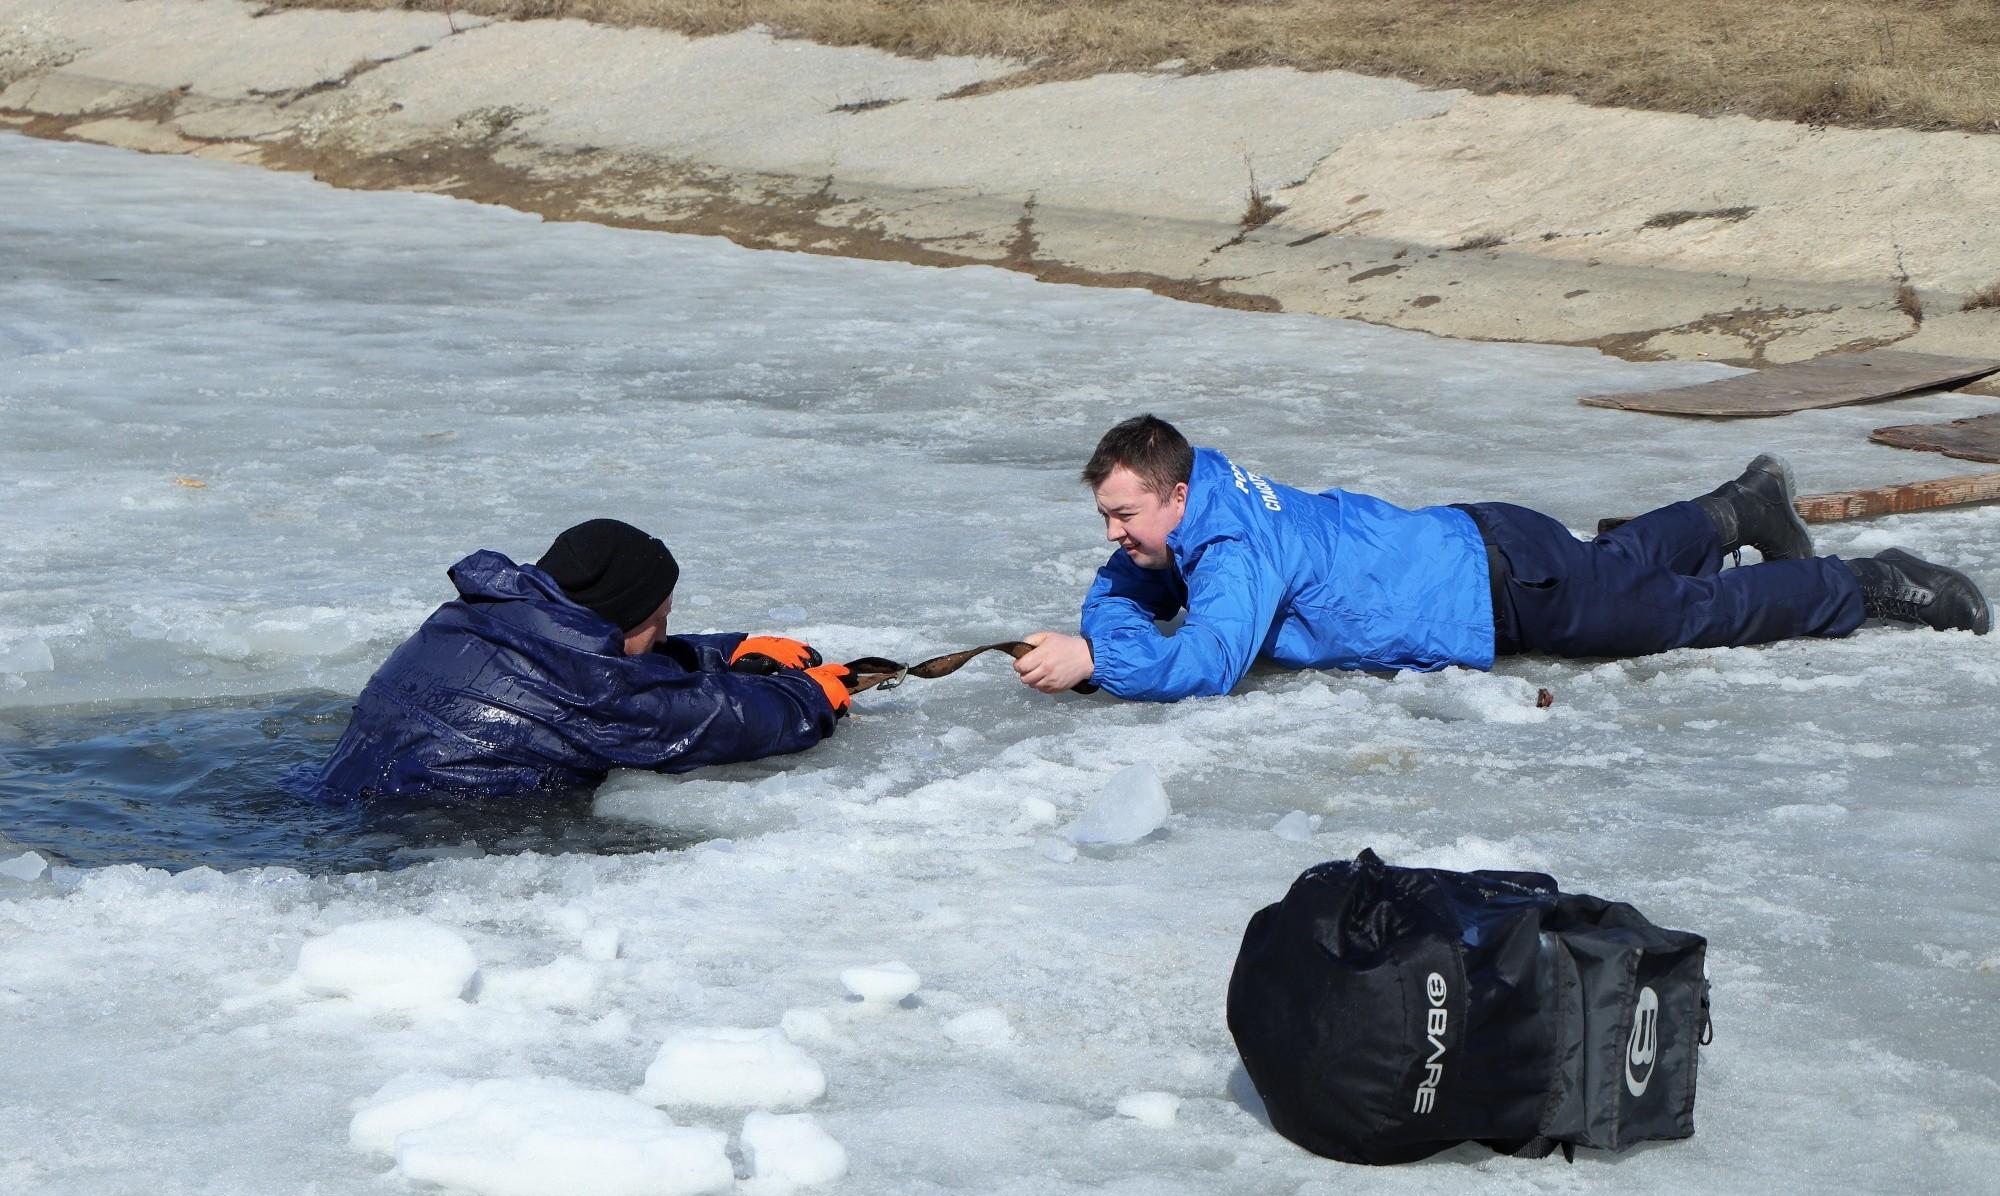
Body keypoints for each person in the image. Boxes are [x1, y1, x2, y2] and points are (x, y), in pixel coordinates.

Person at [1014, 414, 1991, 701]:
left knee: (1683, 615)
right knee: (1614, 569)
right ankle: (1738, 505)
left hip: (1499, 589)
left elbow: (1208, 660)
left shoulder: (1228, 546)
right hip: (1481, 547)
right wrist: (1106, 614)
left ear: (1173, 496)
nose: (1114, 536)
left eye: (1123, 514)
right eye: (1106, 517)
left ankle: (1862, 583)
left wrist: (1103, 657)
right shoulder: (1205, 493)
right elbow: (1126, 579)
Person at [286, 518, 853, 803]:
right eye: (662, 616)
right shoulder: (591, 689)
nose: (666, 631)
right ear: (626, 613)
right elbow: (710, 722)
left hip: (338, 788)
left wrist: (725, 650)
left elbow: (604, 665)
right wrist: (809, 696)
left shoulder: (470, 619)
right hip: (435, 834)